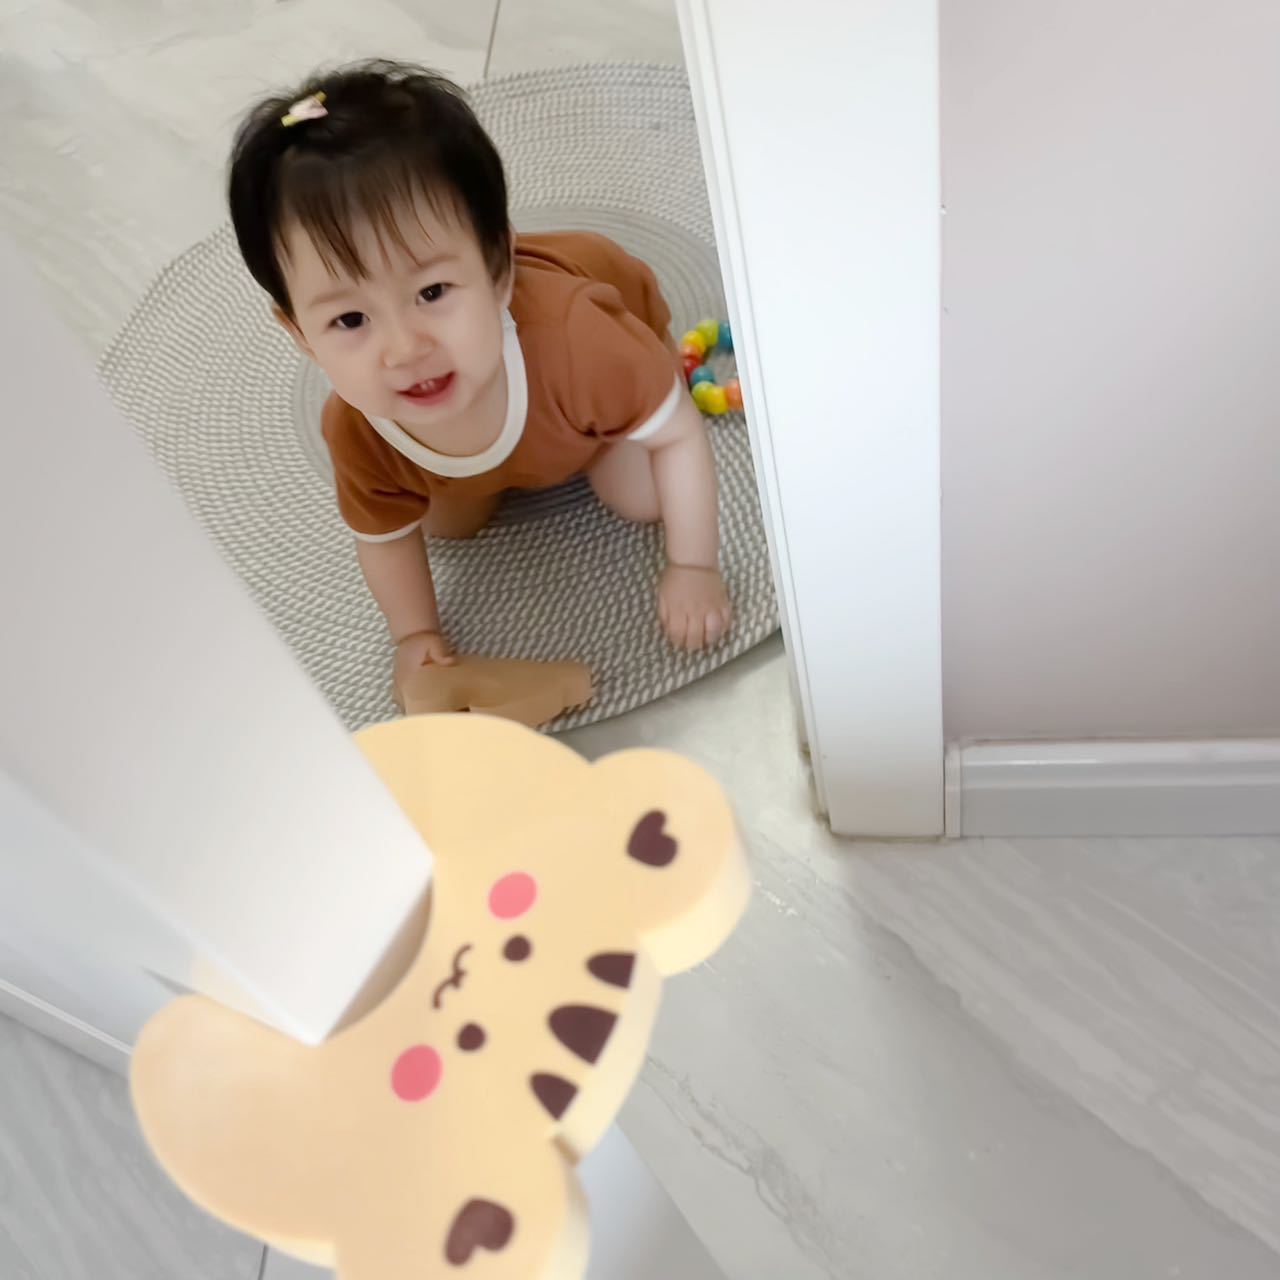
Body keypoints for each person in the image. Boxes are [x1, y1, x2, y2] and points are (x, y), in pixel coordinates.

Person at [228, 59, 732, 694]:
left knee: (643, 498)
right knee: (447, 527)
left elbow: (679, 435)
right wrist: (414, 636)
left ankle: (605, 430)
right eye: (350, 319)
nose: (405, 349)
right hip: (496, 437)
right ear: (301, 334)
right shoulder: (357, 430)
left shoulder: (580, 340)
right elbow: (385, 539)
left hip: (590, 378)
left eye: (433, 291)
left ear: (498, 270)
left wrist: (694, 567)